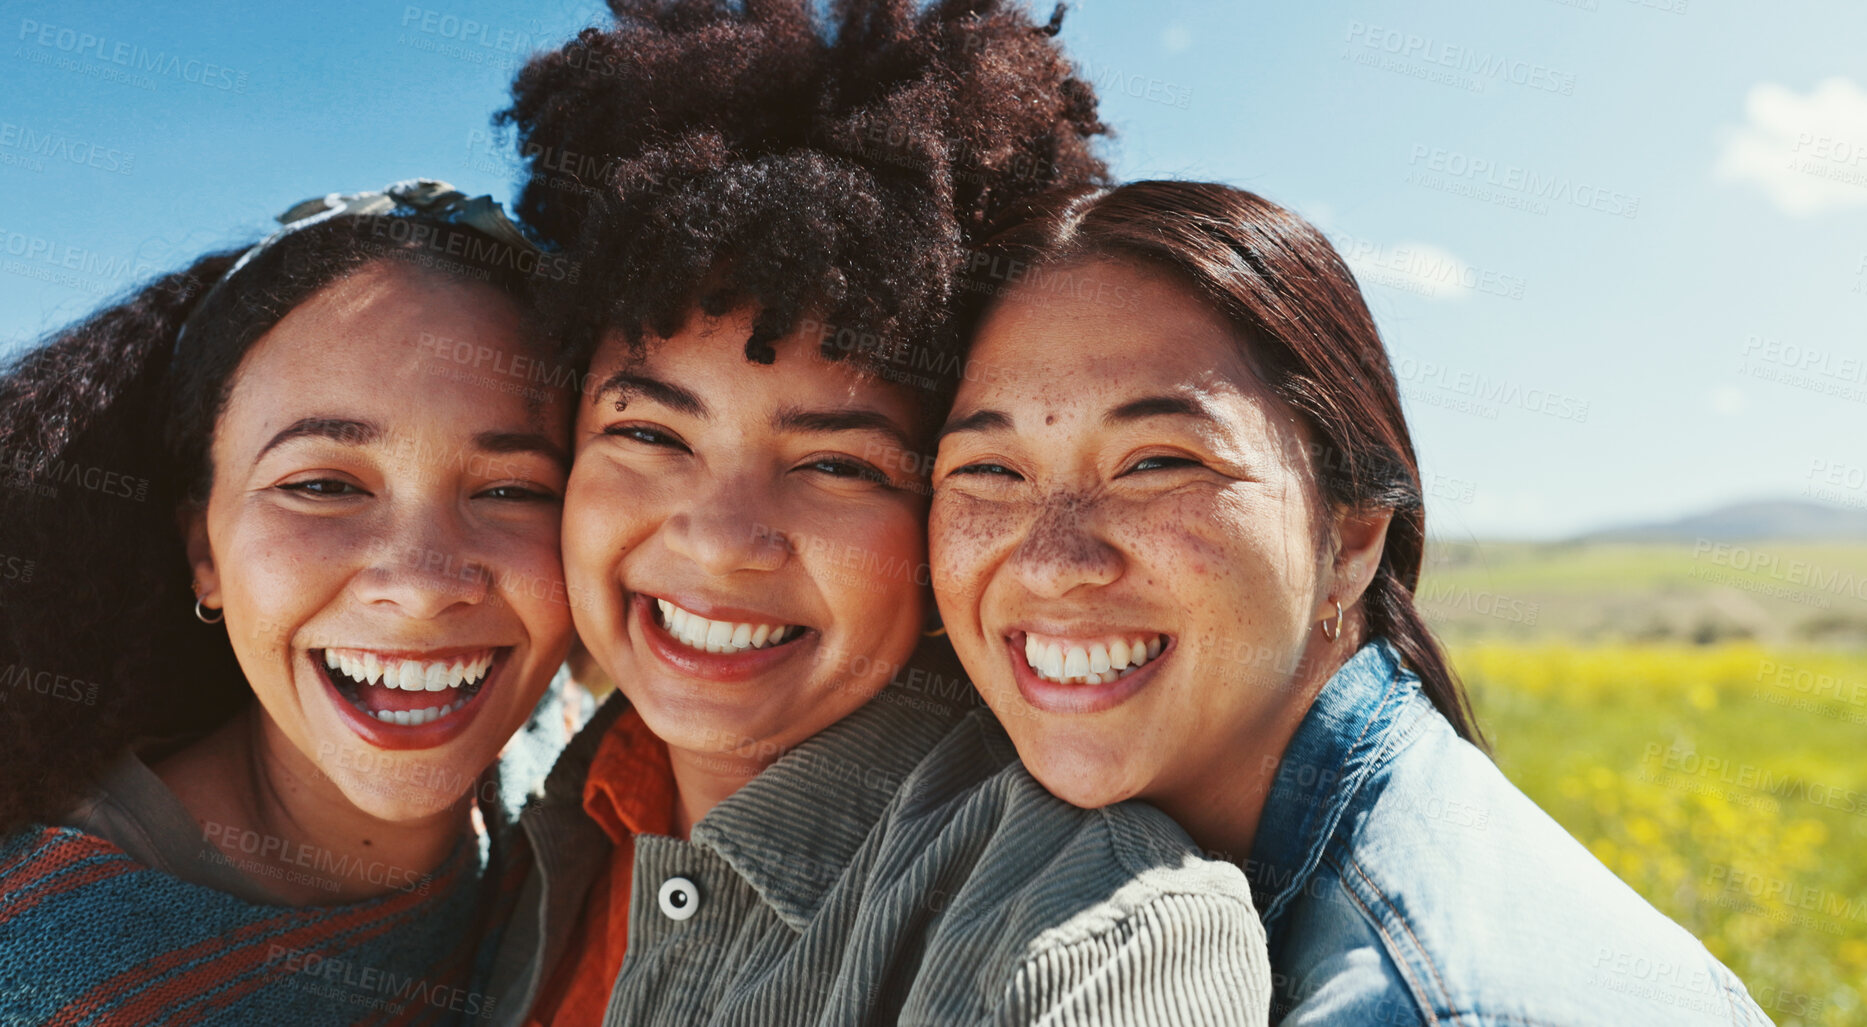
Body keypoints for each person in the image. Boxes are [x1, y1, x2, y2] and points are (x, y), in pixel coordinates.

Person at [478, 3, 1272, 1024]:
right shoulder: (537, 819)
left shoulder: (1092, 927)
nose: (719, 539)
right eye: (651, 436)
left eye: (838, 465)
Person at [928, 179, 1776, 1026]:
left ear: (1355, 534)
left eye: (1155, 463)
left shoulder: (1427, 1004)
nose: (1052, 561)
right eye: (989, 472)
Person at [0, 181, 581, 1025]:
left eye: (510, 490)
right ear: (204, 549)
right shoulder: (46, 974)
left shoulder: (573, 786)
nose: (419, 585)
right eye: (320, 484)